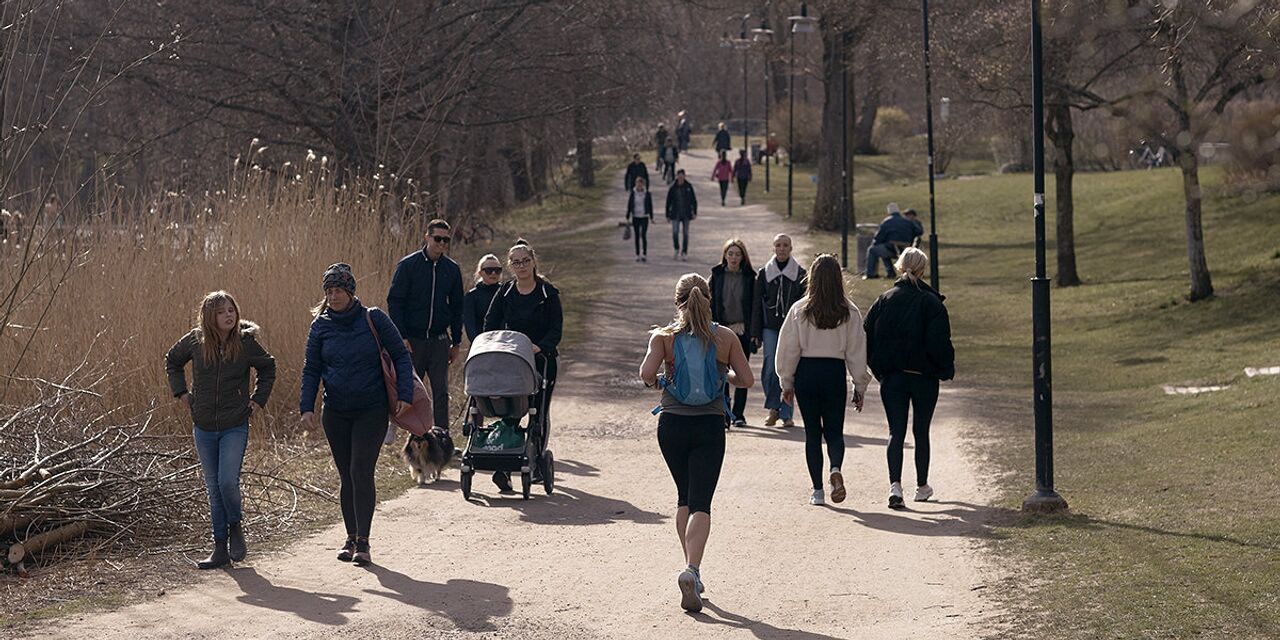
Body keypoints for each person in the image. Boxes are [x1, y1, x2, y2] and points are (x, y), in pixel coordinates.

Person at [639, 273, 753, 613]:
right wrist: (725, 374)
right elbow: (745, 379)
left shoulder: (664, 337)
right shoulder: (725, 337)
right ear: (708, 299)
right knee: (701, 502)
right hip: (709, 424)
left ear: (677, 302)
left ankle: (692, 567)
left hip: (672, 424)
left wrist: (662, 377)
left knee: (684, 497)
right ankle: (693, 569)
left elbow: (646, 375)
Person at [300, 264, 414, 566]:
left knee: (360, 470)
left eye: (338, 290)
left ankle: (364, 541)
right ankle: (349, 537)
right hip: (335, 411)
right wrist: (306, 407)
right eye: (329, 290)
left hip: (371, 409)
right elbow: (311, 369)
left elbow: (401, 356)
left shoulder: (373, 318)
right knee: (346, 475)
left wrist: (404, 394)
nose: (333, 295)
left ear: (350, 292)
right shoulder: (320, 326)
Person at [166, 291, 276, 569]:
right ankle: (219, 549)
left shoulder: (246, 343)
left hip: (234, 425)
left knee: (227, 481)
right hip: (203, 425)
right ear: (209, 317)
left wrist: (257, 401)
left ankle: (235, 526)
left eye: (231, 310)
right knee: (214, 488)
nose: (229, 315)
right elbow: (172, 360)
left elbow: (268, 368)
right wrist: (181, 393)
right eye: (221, 311)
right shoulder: (194, 340)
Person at [776, 255, 871, 505]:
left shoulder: (800, 309)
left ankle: (817, 491)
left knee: (812, 433)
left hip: (807, 371)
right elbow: (857, 351)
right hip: (833, 372)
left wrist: (786, 382)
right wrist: (859, 386)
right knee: (834, 431)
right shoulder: (849, 311)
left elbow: (788, 349)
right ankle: (835, 469)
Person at [864, 248, 955, 509]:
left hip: (892, 377)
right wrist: (945, 369)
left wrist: (878, 370)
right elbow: (940, 342)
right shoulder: (931, 302)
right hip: (924, 377)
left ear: (899, 267)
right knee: (921, 431)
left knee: (896, 431)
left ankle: (895, 485)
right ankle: (922, 485)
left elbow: (867, 337)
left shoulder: (884, 299)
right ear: (922, 269)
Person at [483, 240, 563, 493]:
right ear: (510, 266)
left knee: (537, 412)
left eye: (525, 261)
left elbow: (556, 329)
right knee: (510, 411)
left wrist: (540, 346)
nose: (521, 266)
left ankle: (538, 461)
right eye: (516, 262)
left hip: (541, 359)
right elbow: (490, 322)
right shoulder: (505, 291)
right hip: (511, 360)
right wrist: (496, 345)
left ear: (533, 261)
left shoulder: (548, 293)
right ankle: (505, 465)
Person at [387, 219, 464, 434]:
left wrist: (456, 341)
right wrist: (400, 336)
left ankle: (442, 436)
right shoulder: (408, 265)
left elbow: (458, 307)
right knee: (410, 389)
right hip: (412, 340)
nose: (441, 243)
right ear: (427, 237)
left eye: (446, 240)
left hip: (440, 340)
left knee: (440, 391)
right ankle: (406, 430)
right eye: (437, 238)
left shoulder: (452, 269)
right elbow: (395, 301)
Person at [751, 234, 806, 428]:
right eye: (778, 245)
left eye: (785, 245)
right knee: (770, 368)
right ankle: (773, 407)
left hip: (792, 328)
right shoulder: (764, 273)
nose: (782, 248)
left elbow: (804, 305)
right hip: (770, 328)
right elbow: (756, 304)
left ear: (791, 248)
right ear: (773, 248)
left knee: (789, 369)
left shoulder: (800, 274)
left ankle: (786, 413)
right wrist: (755, 333)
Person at [709, 239, 756, 428]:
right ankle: (724, 414)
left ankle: (739, 414)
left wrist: (752, 331)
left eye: (737, 254)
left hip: (742, 330)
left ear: (743, 257)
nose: (734, 258)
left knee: (741, 372)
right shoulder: (716, 275)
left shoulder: (750, 277)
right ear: (725, 255)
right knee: (722, 373)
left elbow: (754, 306)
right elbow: (709, 303)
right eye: (731, 254)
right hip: (721, 330)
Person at [864, 202, 918, 279]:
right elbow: (918, 231)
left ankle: (871, 274)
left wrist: (875, 244)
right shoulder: (908, 221)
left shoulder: (886, 222)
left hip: (893, 249)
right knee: (883, 249)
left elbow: (878, 238)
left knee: (873, 250)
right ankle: (890, 273)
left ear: (889, 213)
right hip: (907, 250)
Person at [463, 254, 503, 343]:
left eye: (497, 270)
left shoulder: (506, 293)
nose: (493, 273)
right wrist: (479, 344)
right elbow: (470, 325)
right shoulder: (472, 296)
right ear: (480, 272)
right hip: (481, 345)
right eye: (489, 270)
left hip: (504, 344)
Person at [665, 169, 697, 261]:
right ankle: (676, 248)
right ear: (677, 176)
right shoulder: (673, 187)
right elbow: (668, 201)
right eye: (679, 175)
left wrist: (694, 212)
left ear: (684, 176)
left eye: (682, 175)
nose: (680, 177)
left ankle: (684, 252)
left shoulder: (688, 187)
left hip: (686, 214)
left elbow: (693, 201)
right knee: (675, 232)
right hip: (675, 213)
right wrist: (667, 214)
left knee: (685, 234)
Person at [626, 176, 654, 262]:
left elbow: (650, 206)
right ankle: (637, 254)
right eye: (638, 185)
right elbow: (629, 205)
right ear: (636, 185)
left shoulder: (647, 194)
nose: (639, 186)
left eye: (641, 185)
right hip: (636, 216)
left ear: (643, 185)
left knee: (643, 235)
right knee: (637, 236)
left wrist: (651, 217)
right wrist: (628, 216)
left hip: (644, 216)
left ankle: (644, 254)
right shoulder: (633, 193)